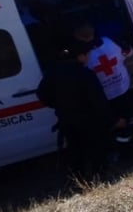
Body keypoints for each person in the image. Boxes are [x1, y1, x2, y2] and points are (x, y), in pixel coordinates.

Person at [36, 41, 118, 180]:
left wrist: (58, 106)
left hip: (67, 119)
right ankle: (99, 177)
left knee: (75, 151)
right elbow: (98, 100)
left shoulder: (52, 73)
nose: (88, 58)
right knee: (96, 149)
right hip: (89, 119)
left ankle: (78, 180)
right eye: (87, 55)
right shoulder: (85, 74)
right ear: (80, 56)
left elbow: (41, 94)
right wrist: (110, 120)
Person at [73, 21, 133, 161]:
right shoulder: (111, 41)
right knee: (125, 123)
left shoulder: (81, 55)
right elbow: (129, 52)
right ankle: (127, 152)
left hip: (103, 97)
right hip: (122, 89)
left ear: (77, 36)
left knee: (108, 125)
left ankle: (114, 153)